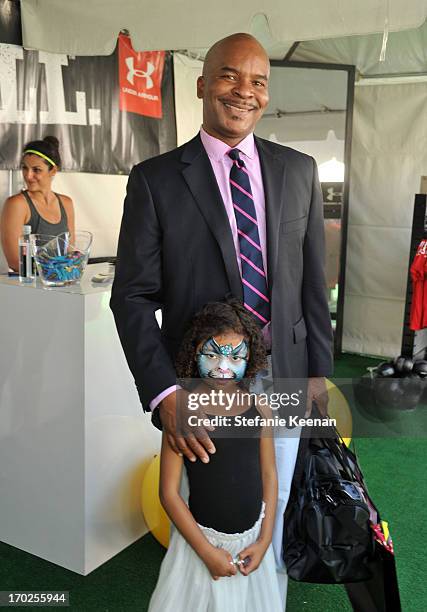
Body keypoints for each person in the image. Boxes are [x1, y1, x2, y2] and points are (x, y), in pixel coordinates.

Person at [111, 33, 333, 608]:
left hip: (283, 375)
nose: (245, 91)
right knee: (206, 512)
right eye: (231, 76)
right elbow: (131, 296)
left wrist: (317, 374)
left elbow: (314, 284)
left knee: (274, 507)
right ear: (203, 83)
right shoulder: (156, 179)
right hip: (202, 388)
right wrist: (165, 394)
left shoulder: (300, 170)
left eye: (259, 81)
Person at [148, 300, 282, 612]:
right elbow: (168, 493)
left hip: (251, 545)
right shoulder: (182, 416)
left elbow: (269, 476)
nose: (223, 367)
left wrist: (264, 541)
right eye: (212, 354)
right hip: (199, 549)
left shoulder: (260, 409)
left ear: (250, 356)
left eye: (235, 357)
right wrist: (206, 552)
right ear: (195, 352)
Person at [0, 136, 75, 271]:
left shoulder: (66, 203)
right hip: (31, 288)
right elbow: (15, 262)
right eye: (24, 168)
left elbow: (70, 251)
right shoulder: (17, 204)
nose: (28, 176)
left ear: (53, 170)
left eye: (36, 170)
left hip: (61, 285)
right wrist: (59, 270)